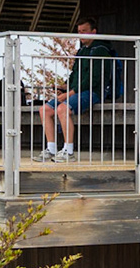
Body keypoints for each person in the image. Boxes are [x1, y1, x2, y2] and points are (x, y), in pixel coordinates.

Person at [36, 19, 119, 162]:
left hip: (93, 92)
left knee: (62, 108)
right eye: (79, 31)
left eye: (84, 31)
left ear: (94, 32)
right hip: (77, 91)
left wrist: (69, 93)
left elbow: (94, 79)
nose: (81, 34)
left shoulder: (101, 50)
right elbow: (75, 74)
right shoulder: (82, 50)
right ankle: (51, 148)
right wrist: (65, 86)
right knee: (45, 110)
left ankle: (68, 151)